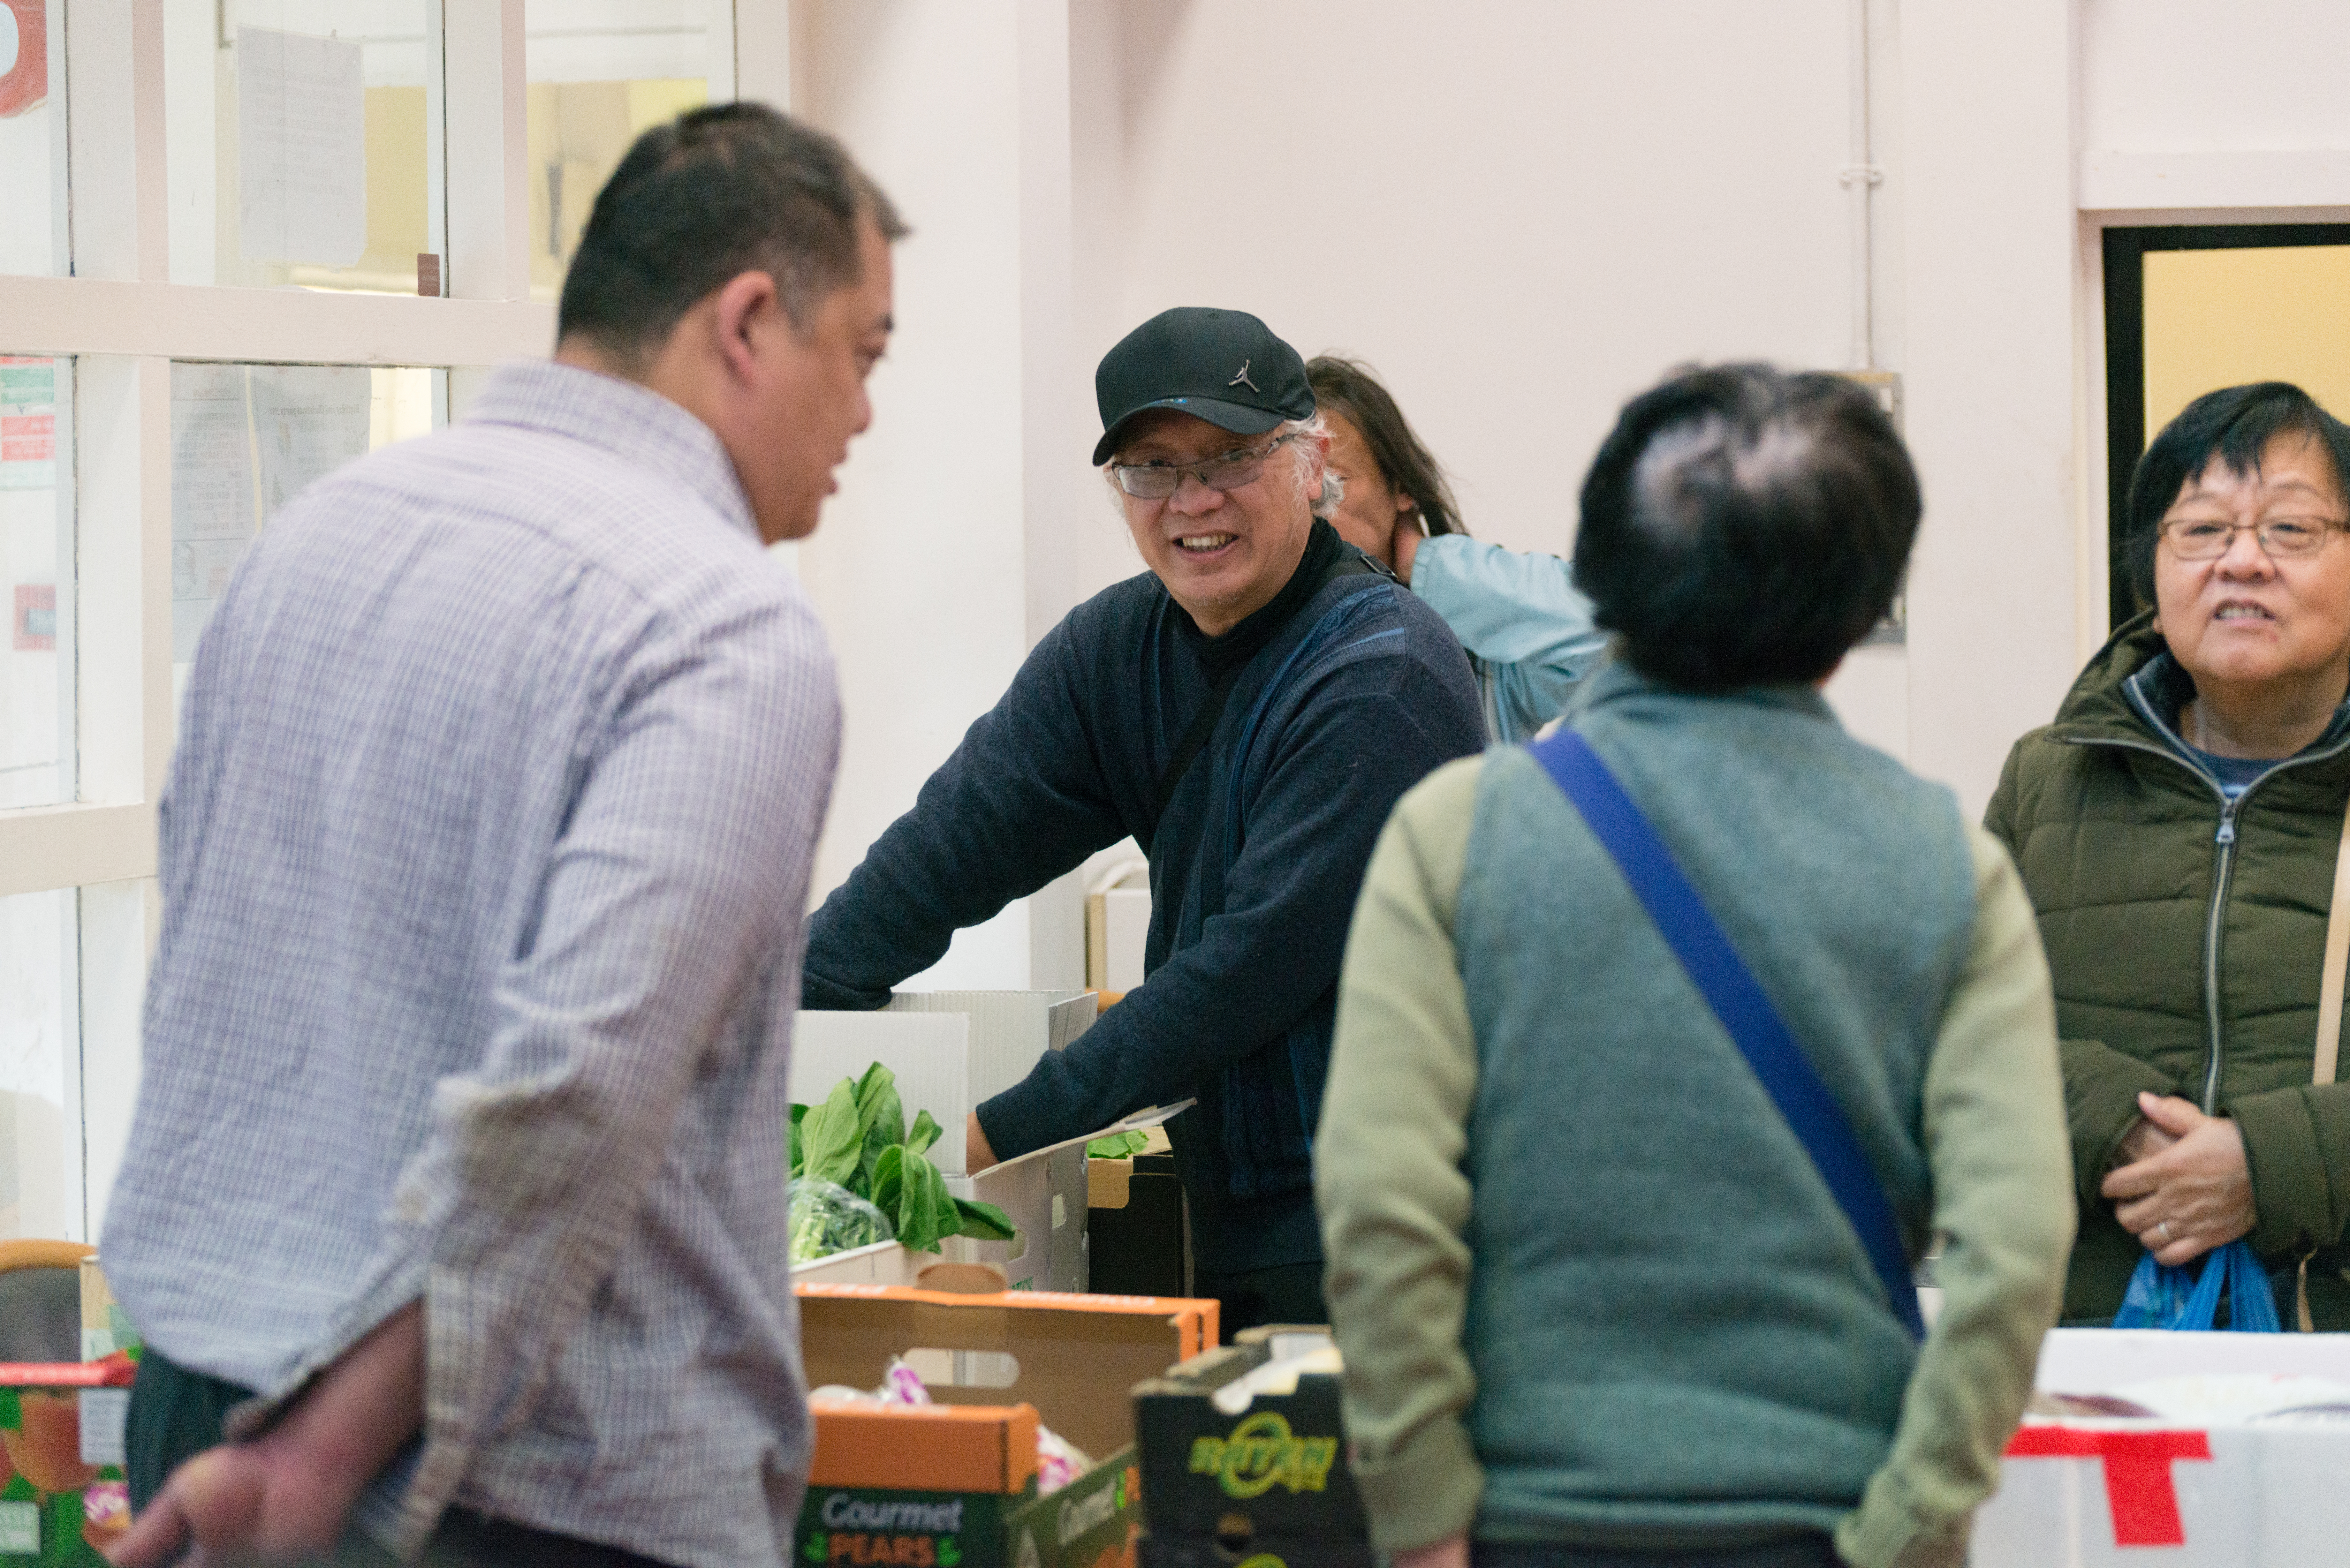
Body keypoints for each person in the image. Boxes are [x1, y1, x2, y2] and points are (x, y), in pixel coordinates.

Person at [101, 104, 901, 1568]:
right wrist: (318, 1460)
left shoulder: (316, 534)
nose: (862, 414)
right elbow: (569, 1094)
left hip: (199, 1417)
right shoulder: (721, 623)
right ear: (745, 323)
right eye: (863, 352)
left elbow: (213, 977)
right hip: (500, 1483)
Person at [1319, 364, 2072, 1568]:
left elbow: (1380, 1203)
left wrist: (1420, 1512)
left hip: (1527, 1520)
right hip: (1832, 1522)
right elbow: (2016, 1243)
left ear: (1603, 575)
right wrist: (1916, 1524)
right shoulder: (1944, 862)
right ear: (1862, 603)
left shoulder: (1460, 835)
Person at [801, 308, 1484, 1336]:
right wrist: (778, 1026)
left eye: (1231, 457)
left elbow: (1239, 974)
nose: (1192, 501)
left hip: (1387, 1222)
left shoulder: (1379, 675)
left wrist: (979, 1142)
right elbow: (945, 848)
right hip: (1222, 1203)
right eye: (1150, 469)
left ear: (1313, 461)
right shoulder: (1115, 652)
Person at [1987, 381, 2350, 1329]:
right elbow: (1941, 1024)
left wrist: (2265, 1166)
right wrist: (2113, 1120)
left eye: (2289, 527)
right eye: (2198, 530)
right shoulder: (2047, 778)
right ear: (2149, 570)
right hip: (2085, 1360)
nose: (2240, 561)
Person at [1309, 355, 1608, 741]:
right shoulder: (1250, 646)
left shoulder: (1483, 663)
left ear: (1401, 487)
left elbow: (1607, 627)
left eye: (1332, 480)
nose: (1308, 507)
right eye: (1291, 486)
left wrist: (1429, 568)